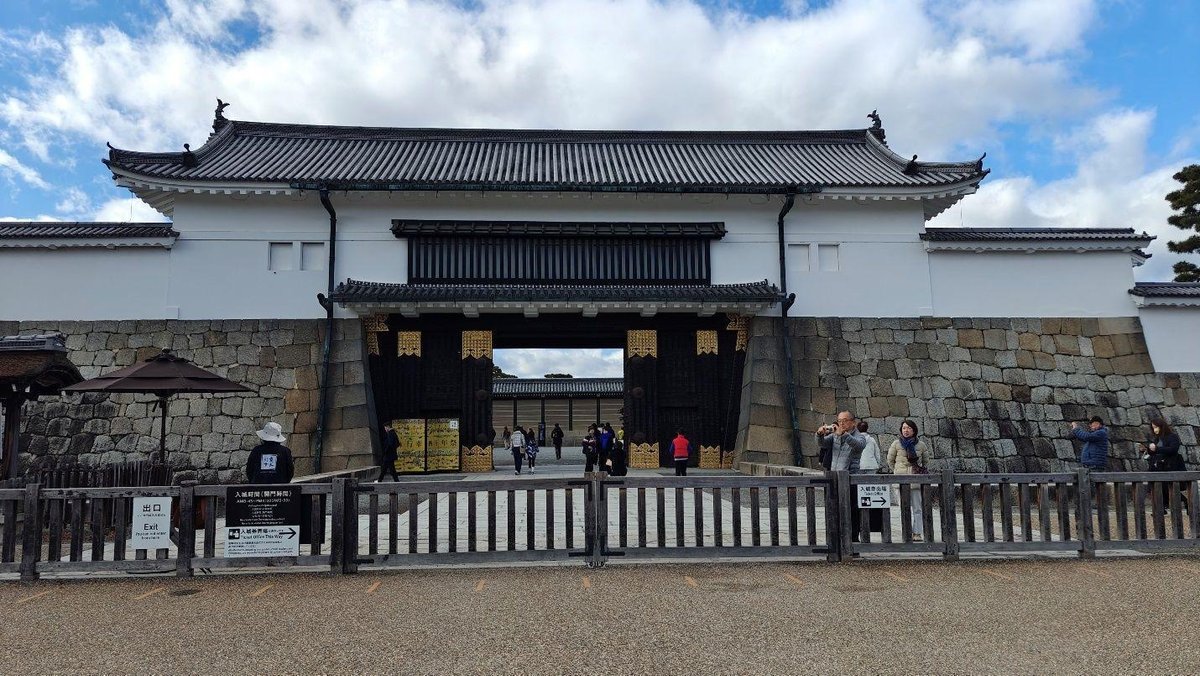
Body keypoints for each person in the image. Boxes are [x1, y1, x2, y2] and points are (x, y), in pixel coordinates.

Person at [887, 419, 929, 541]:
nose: (906, 430)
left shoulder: (921, 445)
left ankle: (917, 533)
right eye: (904, 428)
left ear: (914, 430)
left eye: (909, 428)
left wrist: (917, 469)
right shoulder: (896, 444)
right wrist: (898, 470)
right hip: (900, 479)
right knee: (903, 507)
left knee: (917, 508)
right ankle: (906, 531)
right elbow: (890, 461)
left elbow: (926, 462)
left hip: (915, 479)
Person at [1144, 417, 1185, 509]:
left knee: (1167, 488)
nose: (1155, 430)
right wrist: (1148, 449)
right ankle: (1161, 507)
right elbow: (1155, 452)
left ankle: (1184, 502)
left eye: (1156, 427)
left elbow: (1173, 449)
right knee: (1156, 487)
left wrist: (1157, 449)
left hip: (1169, 466)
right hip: (1157, 466)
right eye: (1153, 428)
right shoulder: (1158, 439)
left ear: (1161, 426)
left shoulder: (1172, 437)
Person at [856, 420, 886, 533]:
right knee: (870, 490)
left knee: (861, 490)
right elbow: (877, 453)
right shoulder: (872, 440)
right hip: (871, 466)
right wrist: (877, 464)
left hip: (859, 466)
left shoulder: (856, 439)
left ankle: (862, 509)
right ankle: (871, 511)